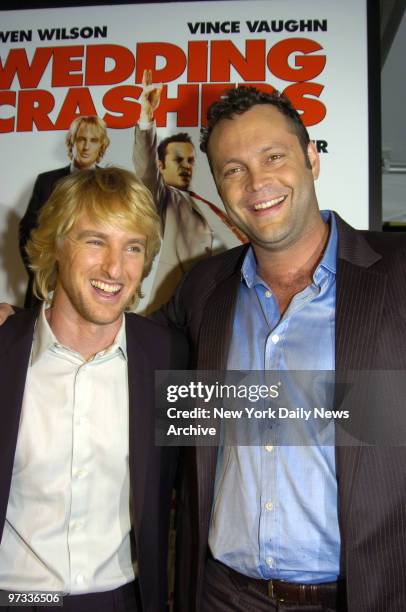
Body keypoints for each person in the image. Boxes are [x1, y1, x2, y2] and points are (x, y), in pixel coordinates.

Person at [154, 86, 406, 611]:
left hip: (362, 594)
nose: (256, 183)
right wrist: (23, 322)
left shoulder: (399, 271)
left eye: (274, 157)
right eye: (233, 169)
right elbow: (126, 349)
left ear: (311, 159)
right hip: (223, 593)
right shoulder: (202, 287)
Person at [0, 167, 188, 612]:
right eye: (95, 241)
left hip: (123, 599)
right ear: (56, 246)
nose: (114, 268)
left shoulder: (170, 357)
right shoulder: (5, 350)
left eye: (133, 247)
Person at [133, 69, 246, 314]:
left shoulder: (214, 202)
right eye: (178, 160)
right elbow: (145, 172)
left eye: (190, 160)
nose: (186, 165)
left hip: (230, 306)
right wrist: (146, 117)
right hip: (181, 307)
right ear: (161, 166)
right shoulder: (163, 198)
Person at [19, 115, 110, 308]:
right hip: (45, 289)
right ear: (71, 141)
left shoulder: (111, 185)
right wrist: (41, 272)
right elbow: (27, 231)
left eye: (93, 141)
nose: (86, 147)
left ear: (101, 146)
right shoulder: (46, 181)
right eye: (81, 139)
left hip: (95, 287)